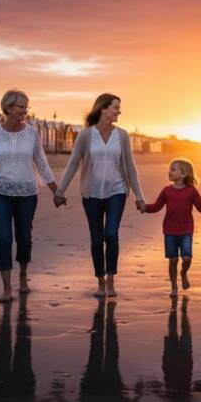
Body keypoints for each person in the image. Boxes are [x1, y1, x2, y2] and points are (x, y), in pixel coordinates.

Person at [0, 90, 58, 303]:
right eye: (20, 106)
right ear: (8, 108)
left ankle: (23, 275)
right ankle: (7, 287)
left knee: (24, 238)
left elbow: (42, 162)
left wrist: (57, 191)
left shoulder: (32, 134)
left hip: (27, 193)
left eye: (26, 106)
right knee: (3, 238)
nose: (24, 110)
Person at [54, 93, 146, 298]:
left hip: (117, 191)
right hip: (91, 193)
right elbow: (73, 164)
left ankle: (111, 279)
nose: (119, 111)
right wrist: (60, 191)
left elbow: (130, 166)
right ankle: (100, 281)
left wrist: (139, 196)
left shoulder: (122, 135)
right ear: (103, 109)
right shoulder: (86, 135)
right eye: (115, 107)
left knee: (111, 234)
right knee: (97, 239)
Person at [144, 158, 201, 297]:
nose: (169, 171)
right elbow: (156, 207)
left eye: (173, 169)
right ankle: (174, 286)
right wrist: (145, 207)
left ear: (184, 174)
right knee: (173, 260)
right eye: (170, 169)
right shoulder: (166, 191)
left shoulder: (191, 191)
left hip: (186, 230)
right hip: (169, 230)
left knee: (187, 258)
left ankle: (183, 273)